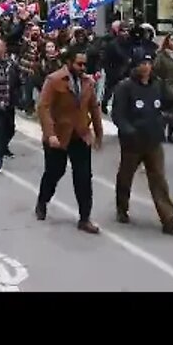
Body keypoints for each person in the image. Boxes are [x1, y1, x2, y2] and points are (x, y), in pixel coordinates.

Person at [110, 53, 173, 235]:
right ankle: (122, 208)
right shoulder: (125, 87)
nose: (145, 67)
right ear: (135, 66)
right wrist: (128, 130)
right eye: (141, 63)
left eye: (148, 63)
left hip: (153, 140)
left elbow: (166, 103)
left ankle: (168, 218)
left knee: (158, 179)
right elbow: (118, 115)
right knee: (126, 176)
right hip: (133, 143)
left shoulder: (157, 85)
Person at [36, 48, 103, 234]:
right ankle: (42, 201)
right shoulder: (54, 80)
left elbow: (94, 108)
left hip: (80, 135)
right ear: (69, 63)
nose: (82, 67)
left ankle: (85, 218)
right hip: (58, 136)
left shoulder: (88, 83)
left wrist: (98, 133)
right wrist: (50, 134)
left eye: (84, 64)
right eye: (79, 64)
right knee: (54, 173)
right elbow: (43, 107)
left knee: (83, 178)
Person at [0, 38, 21, 172]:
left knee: (10, 129)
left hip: (8, 103)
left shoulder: (12, 64)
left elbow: (17, 82)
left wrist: (18, 96)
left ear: (4, 48)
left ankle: (3, 147)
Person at [152, 33, 173, 144]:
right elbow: (155, 69)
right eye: (171, 39)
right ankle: (160, 133)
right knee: (166, 112)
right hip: (166, 86)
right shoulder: (162, 55)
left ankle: (170, 135)